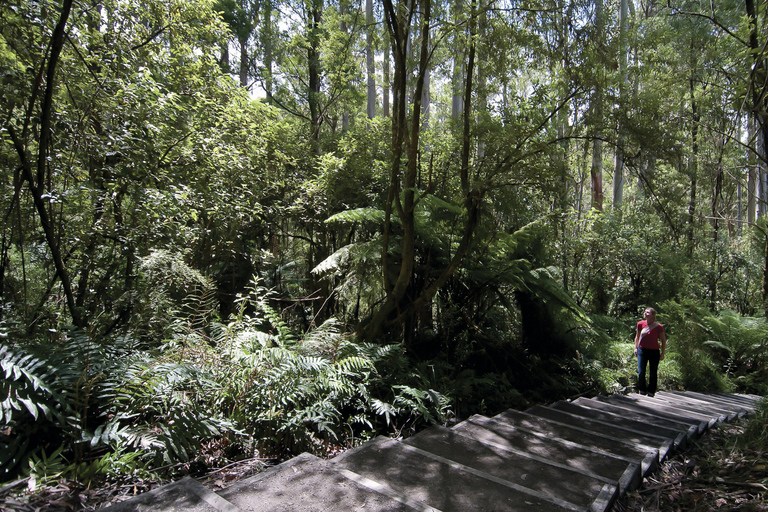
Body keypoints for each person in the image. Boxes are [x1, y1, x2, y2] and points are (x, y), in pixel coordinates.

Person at [634, 307, 667, 397]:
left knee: (653, 372)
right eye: (645, 312)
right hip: (642, 350)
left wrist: (662, 353)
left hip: (654, 351)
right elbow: (637, 336)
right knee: (641, 371)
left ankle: (651, 391)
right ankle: (642, 389)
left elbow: (663, 340)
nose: (645, 313)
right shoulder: (640, 324)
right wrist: (636, 348)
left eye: (648, 312)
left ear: (652, 315)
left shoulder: (658, 327)